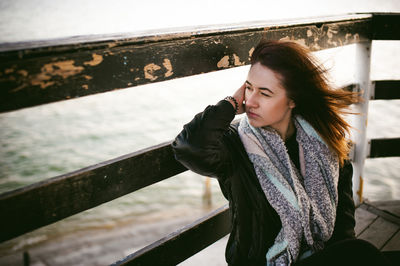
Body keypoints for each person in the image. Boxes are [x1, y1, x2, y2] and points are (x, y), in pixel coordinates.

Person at [172, 40, 393, 265]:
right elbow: (189, 148)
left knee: (361, 253)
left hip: (315, 257)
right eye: (249, 88)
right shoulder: (235, 144)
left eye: (265, 93)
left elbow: (342, 231)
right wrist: (230, 103)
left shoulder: (326, 147)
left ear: (292, 100)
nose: (251, 102)